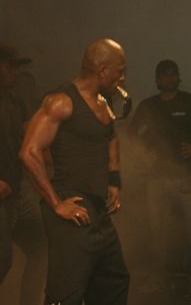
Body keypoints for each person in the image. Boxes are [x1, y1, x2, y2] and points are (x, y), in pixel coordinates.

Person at [20, 38, 129, 305]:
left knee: (114, 281)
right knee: (66, 292)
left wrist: (114, 181)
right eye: (119, 71)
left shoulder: (103, 102)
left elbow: (111, 138)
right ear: (102, 69)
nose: (122, 77)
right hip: (71, 209)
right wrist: (57, 204)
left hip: (97, 210)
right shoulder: (62, 102)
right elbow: (29, 151)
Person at [128, 59, 191, 296]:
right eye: (165, 75)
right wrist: (145, 156)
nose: (169, 78)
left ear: (178, 77)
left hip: (184, 176)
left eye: (173, 74)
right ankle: (159, 279)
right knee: (157, 230)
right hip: (156, 178)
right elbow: (131, 134)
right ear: (157, 80)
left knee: (190, 231)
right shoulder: (148, 106)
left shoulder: (190, 102)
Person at [0, 44, 47, 305]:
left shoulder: (14, 103)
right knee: (2, 261)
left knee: (41, 247)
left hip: (15, 197)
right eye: (10, 66)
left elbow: (29, 142)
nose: (15, 72)